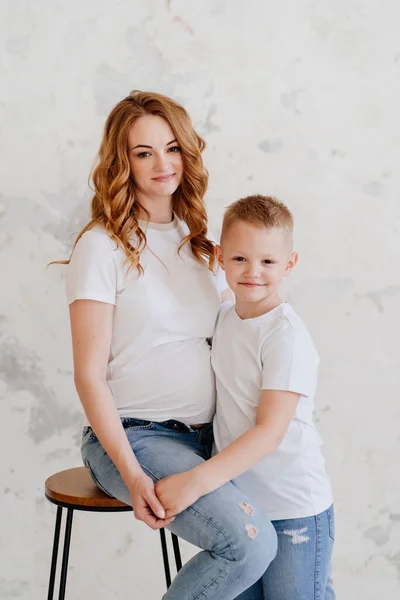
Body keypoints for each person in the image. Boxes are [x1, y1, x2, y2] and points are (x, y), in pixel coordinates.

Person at [62, 92, 277, 599]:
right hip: (136, 439)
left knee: (279, 540)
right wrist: (132, 473)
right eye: (143, 152)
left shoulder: (197, 239)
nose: (163, 163)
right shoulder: (102, 246)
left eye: (173, 147)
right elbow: (88, 375)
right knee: (248, 545)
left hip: (209, 438)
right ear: (123, 162)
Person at [155, 194, 335, 599]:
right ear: (220, 258)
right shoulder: (223, 318)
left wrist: (196, 482)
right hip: (246, 507)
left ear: (289, 265)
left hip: (294, 510)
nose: (253, 272)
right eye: (239, 259)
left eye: (268, 262)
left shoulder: (285, 336)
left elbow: (270, 431)